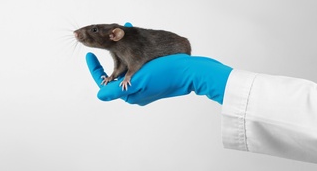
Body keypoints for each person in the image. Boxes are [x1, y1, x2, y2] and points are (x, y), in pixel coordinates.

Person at [84, 24, 317, 164]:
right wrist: (115, 75)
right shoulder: (121, 46)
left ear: (115, 35)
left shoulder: (128, 42)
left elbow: (134, 59)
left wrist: (212, 80)